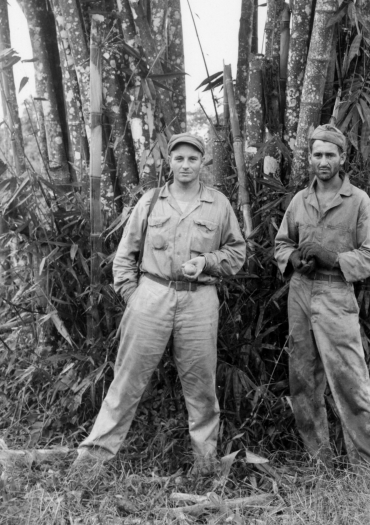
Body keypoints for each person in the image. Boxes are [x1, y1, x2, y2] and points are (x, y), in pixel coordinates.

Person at [72, 132, 246, 476]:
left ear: (202, 162)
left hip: (199, 301)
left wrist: (207, 262)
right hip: (151, 295)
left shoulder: (218, 204)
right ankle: (91, 461)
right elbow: (125, 256)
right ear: (169, 161)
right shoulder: (151, 201)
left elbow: (237, 252)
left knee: (201, 387)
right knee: (126, 380)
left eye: (193, 158)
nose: (186, 165)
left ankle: (206, 465)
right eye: (179, 158)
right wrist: (134, 298)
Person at [274, 124, 370, 470]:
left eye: (329, 154)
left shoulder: (358, 202)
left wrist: (334, 258)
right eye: (317, 154)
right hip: (301, 292)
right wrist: (293, 258)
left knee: (351, 384)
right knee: (303, 382)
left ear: (342, 157)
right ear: (309, 158)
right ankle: (319, 461)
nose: (323, 161)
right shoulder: (299, 200)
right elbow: (282, 243)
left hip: (336, 293)